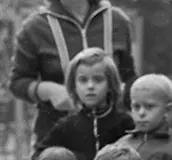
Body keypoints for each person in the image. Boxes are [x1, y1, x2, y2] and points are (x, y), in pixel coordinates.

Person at [10, 0, 137, 145]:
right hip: (57, 141)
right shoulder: (34, 27)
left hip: (114, 140)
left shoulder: (117, 20)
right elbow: (17, 82)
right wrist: (49, 91)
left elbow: (129, 76)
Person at [35, 47, 133, 160]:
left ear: (111, 84)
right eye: (83, 80)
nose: (90, 86)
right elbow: (42, 157)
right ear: (73, 86)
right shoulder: (66, 126)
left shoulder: (125, 123)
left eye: (98, 80)